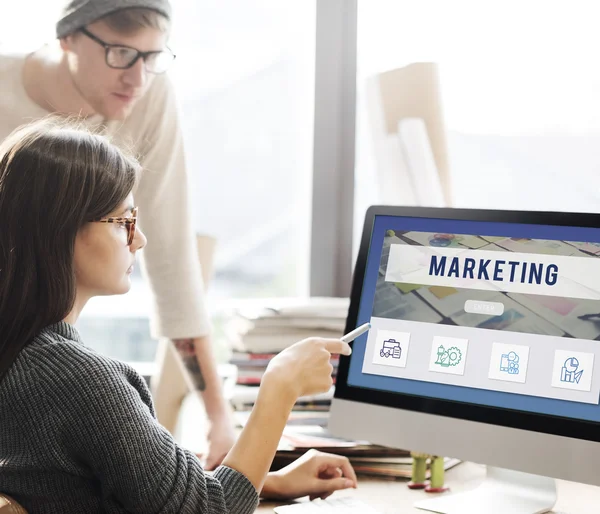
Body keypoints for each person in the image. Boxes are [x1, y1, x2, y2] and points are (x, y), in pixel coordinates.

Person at [0, 118, 357, 513]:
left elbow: (96, 489)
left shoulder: (22, 357)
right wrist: (280, 388)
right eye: (124, 222)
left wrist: (266, 482)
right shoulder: (78, 380)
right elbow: (208, 510)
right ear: (61, 231)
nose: (140, 239)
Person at [0, 0, 236, 468]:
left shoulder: (150, 93)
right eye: (121, 54)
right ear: (67, 37)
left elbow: (170, 255)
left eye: (153, 58)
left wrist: (217, 416)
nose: (138, 78)